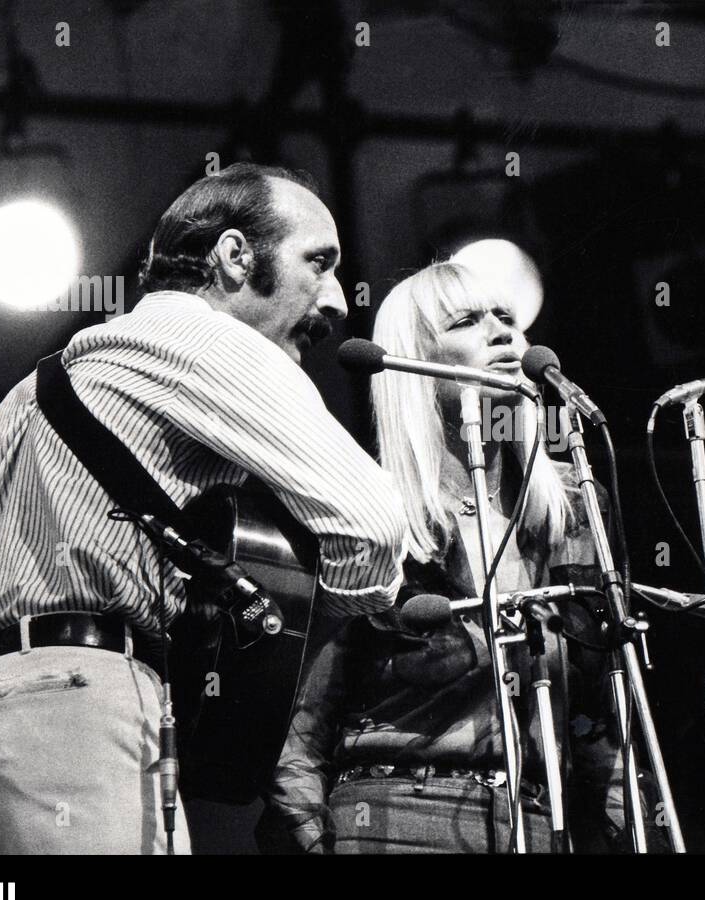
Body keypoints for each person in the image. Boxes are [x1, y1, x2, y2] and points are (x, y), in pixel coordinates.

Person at [0, 163, 407, 854]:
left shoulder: (19, 402)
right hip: (64, 717)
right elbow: (372, 528)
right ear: (234, 255)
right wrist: (293, 626)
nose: (337, 300)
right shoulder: (212, 340)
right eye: (319, 262)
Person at [257, 260, 636, 853]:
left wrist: (631, 829)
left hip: (538, 824)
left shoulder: (574, 506)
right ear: (411, 359)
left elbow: (600, 719)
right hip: (394, 822)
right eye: (467, 320)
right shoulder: (366, 508)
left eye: (508, 318)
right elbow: (299, 721)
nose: (502, 333)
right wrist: (311, 843)